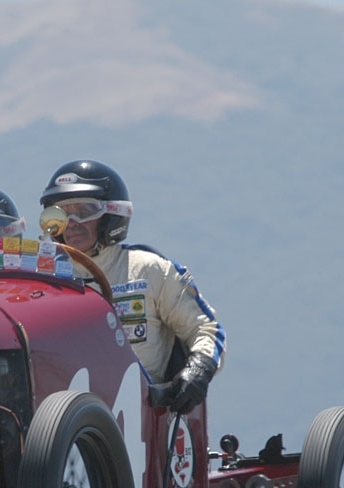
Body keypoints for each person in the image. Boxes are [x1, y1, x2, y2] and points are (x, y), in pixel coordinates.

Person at [39, 159, 226, 413]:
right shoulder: (40, 279)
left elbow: (206, 329)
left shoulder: (150, 269)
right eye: (60, 213)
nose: (71, 223)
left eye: (84, 212)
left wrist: (199, 370)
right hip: (60, 419)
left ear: (111, 216)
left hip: (144, 416)